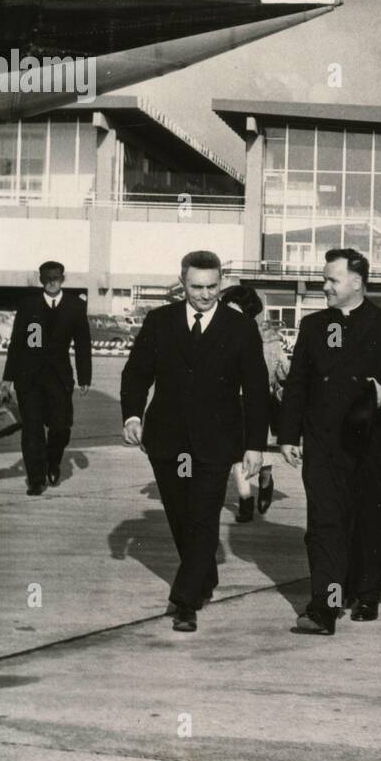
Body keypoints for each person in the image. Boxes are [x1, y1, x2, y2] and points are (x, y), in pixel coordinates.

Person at [120, 251, 268, 633]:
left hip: (216, 442)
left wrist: (255, 445)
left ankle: (184, 601)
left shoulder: (239, 328)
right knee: (182, 517)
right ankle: (202, 576)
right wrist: (133, 415)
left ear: (221, 283)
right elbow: (136, 373)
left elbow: (255, 390)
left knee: (203, 516)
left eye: (212, 287)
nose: (204, 295)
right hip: (166, 440)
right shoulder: (160, 322)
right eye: (196, 287)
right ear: (181, 283)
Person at [278, 249, 381, 635]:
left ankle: (368, 592)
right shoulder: (312, 326)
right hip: (324, 443)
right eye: (325, 279)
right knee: (324, 522)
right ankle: (326, 605)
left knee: (370, 520)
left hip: (374, 442)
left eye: (331, 280)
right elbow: (298, 385)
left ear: (356, 282)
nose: (324, 286)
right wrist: (288, 435)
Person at [1, 260, 91, 496]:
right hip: (28, 378)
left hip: (59, 379)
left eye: (56, 278)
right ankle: (36, 478)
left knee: (61, 427)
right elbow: (17, 343)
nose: (52, 282)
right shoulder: (28, 304)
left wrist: (85, 377)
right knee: (32, 430)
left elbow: (83, 345)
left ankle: (53, 463)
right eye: (47, 278)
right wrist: (7, 377)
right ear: (41, 280)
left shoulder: (75, 306)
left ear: (63, 278)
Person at [219, 285, 289, 522]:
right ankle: (246, 500)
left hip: (260, 402)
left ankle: (266, 480)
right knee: (237, 454)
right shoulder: (223, 332)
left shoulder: (269, 339)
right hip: (231, 401)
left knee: (259, 452)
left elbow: (282, 371)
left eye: (232, 308)